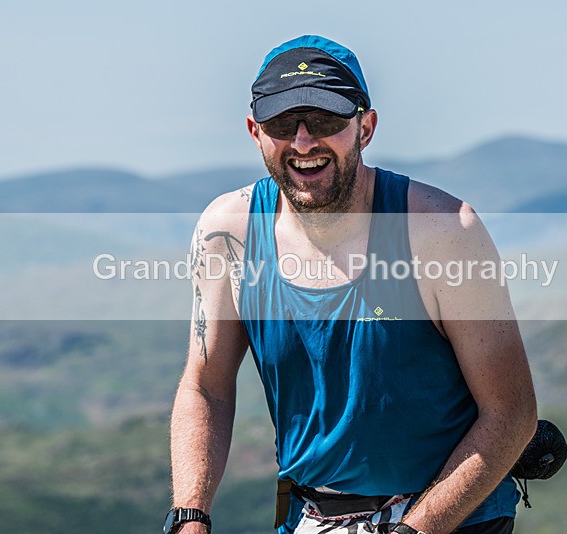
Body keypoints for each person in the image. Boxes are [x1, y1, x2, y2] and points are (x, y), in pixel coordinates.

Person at [167, 35, 537, 534]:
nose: (302, 142)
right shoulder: (228, 232)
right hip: (312, 516)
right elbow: (205, 386)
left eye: (324, 121)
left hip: (452, 519)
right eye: (282, 124)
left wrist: (413, 530)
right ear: (256, 132)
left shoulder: (444, 230)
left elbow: (511, 412)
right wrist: (191, 515)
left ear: (366, 127)